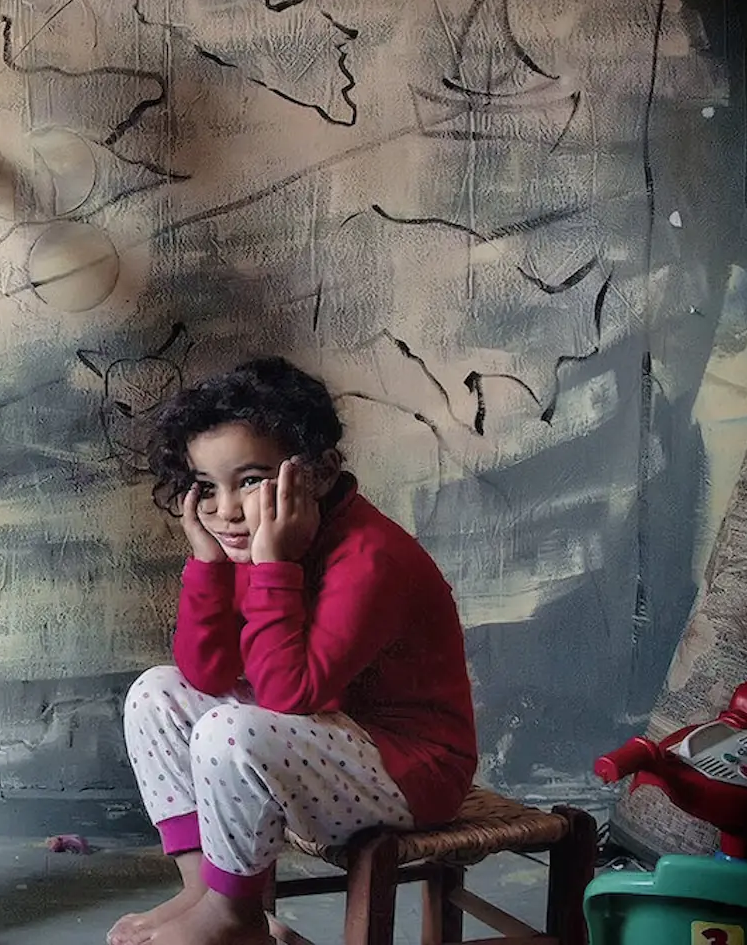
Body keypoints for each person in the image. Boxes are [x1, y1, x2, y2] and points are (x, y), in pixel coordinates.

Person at [110, 358, 478, 945]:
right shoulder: (253, 539)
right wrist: (208, 564)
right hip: (325, 740)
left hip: (412, 772)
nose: (226, 510)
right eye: (207, 487)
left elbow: (289, 694)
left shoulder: (370, 558)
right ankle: (205, 891)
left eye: (250, 480)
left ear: (320, 472)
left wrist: (272, 565)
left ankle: (235, 917)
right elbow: (206, 673)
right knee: (156, 691)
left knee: (229, 731)